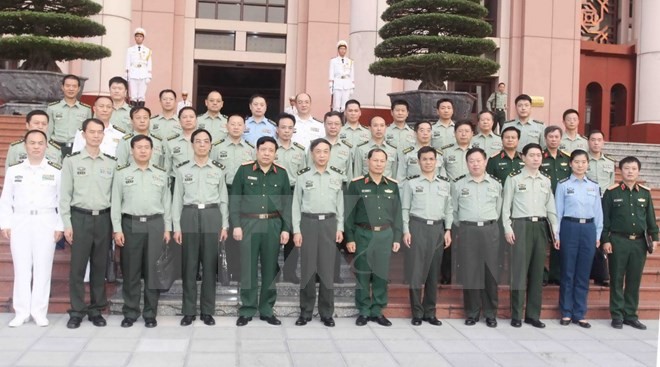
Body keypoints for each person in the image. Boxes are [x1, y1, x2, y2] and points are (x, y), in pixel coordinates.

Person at [0, 130, 63, 327]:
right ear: (25, 146)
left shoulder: (55, 171)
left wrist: (60, 225)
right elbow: (5, 200)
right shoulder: (14, 170)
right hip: (21, 220)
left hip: (46, 221)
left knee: (43, 268)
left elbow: (62, 202)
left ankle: (39, 311)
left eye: (40, 143)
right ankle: (21, 312)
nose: (36, 146)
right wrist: (6, 223)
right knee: (22, 267)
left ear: (46, 146)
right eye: (32, 143)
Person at [60, 118, 117, 329]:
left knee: (99, 266)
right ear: (83, 135)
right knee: (77, 267)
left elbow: (115, 197)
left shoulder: (111, 163)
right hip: (79, 218)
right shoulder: (72, 162)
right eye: (91, 132)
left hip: (103, 218)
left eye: (99, 132)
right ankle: (76, 311)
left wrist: (114, 225)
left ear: (103, 135)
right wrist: (67, 223)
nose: (95, 135)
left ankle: (96, 309)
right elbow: (64, 195)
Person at [231, 136, 292, 327]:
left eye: (270, 150)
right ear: (256, 151)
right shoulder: (244, 170)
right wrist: (236, 225)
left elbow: (287, 204)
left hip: (272, 224)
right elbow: (235, 199)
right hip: (248, 224)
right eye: (263, 149)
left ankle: (266, 309)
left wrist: (285, 228)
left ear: (276, 153)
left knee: (269, 269)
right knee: (248, 268)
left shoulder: (281, 173)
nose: (266, 153)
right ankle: (247, 309)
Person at [111, 135, 171, 328]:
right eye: (139, 147)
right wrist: (117, 229)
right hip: (131, 224)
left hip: (155, 224)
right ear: (131, 150)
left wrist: (168, 228)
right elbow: (115, 203)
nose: (143, 151)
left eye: (147, 147)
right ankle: (130, 312)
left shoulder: (161, 174)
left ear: (152, 151)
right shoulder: (121, 173)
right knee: (131, 270)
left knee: (153, 271)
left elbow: (167, 204)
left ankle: (150, 313)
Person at [172, 129, 229, 327]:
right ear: (192, 144)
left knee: (209, 265)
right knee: (189, 265)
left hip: (212, 216)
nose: (202, 145)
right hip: (189, 215)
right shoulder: (182, 169)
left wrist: (225, 224)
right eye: (198, 141)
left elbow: (223, 199)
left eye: (206, 141)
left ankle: (207, 311)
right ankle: (188, 311)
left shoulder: (218, 169)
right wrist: (176, 226)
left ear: (211, 145)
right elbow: (176, 200)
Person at [502, 143, 558, 329]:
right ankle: (516, 314)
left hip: (540, 227)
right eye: (531, 155)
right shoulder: (514, 179)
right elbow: (506, 207)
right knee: (519, 272)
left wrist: (555, 232)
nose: (536, 158)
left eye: (538, 155)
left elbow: (551, 209)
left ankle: (533, 315)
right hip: (520, 225)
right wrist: (508, 228)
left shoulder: (546, 180)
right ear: (523, 157)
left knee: (537, 272)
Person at [345, 148, 402, 327]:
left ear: (386, 163)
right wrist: (350, 238)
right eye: (375, 160)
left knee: (381, 274)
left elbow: (397, 213)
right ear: (368, 162)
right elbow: (349, 214)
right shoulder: (356, 184)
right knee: (362, 272)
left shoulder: (392, 185)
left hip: (385, 234)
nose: (378, 164)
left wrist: (397, 238)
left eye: (382, 161)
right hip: (363, 233)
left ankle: (377, 310)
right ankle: (363, 310)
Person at [601, 156, 658, 330]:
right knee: (617, 278)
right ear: (620, 171)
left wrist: (655, 237)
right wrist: (605, 240)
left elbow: (650, 218)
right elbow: (605, 219)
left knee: (634, 280)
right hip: (618, 241)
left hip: (639, 243)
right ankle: (617, 315)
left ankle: (630, 315)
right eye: (626, 168)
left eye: (633, 168)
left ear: (638, 171)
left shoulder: (645, 193)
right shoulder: (612, 192)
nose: (630, 171)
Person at [292, 138, 344, 327]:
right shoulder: (303, 176)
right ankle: (305, 311)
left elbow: (340, 206)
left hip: (329, 224)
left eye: (325, 151)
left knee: (327, 271)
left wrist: (340, 228)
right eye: (318, 152)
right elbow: (296, 205)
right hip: (308, 223)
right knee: (307, 269)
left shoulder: (337, 176)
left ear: (330, 154)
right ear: (312, 154)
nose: (322, 155)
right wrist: (296, 230)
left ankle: (326, 312)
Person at [401, 146, 452, 327]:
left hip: (437, 229)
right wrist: (406, 230)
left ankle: (430, 312)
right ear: (419, 161)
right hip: (417, 227)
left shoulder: (445, 184)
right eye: (425, 159)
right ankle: (417, 312)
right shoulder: (411, 183)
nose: (428, 162)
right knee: (416, 272)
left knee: (433, 273)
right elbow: (405, 208)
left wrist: (448, 230)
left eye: (431, 159)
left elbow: (448, 209)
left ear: (436, 162)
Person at [451, 148, 502, 328]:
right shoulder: (458, 185)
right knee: (470, 272)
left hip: (490, 230)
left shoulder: (495, 185)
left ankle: (490, 313)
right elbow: (454, 211)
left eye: (479, 160)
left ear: (485, 161)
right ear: (467, 163)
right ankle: (471, 312)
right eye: (471, 161)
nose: (475, 164)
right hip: (468, 231)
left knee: (490, 273)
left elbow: (499, 208)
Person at [554, 149, 603, 329]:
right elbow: (558, 212)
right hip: (569, 227)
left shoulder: (594, 186)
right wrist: (557, 235)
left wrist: (597, 235)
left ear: (588, 164)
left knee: (583, 273)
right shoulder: (564, 185)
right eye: (576, 162)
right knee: (568, 271)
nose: (580, 165)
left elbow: (598, 213)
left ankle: (580, 313)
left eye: (583, 162)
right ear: (570, 164)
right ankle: (566, 311)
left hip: (589, 229)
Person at [211, 114, 255, 283]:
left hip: (244, 194)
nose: (236, 127)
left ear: (244, 127)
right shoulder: (216, 147)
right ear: (226, 126)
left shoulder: (250, 149)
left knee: (239, 230)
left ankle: (237, 270)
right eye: (233, 124)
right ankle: (220, 269)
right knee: (222, 229)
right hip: (223, 190)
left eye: (239, 124)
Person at [274, 113, 307, 283]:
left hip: (294, 194)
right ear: (277, 129)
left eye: (289, 128)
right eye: (283, 127)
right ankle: (273, 268)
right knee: (273, 231)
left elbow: (303, 175)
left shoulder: (301, 152)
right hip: (274, 194)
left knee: (293, 231)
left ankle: (290, 271)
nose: (286, 131)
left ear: (293, 130)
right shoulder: (270, 148)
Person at [540, 125, 571, 286]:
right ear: (545, 138)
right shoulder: (540, 157)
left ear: (560, 139)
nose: (553, 139)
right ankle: (543, 275)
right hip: (543, 204)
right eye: (550, 137)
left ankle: (555, 274)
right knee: (542, 240)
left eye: (556, 137)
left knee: (558, 240)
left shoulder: (567, 158)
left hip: (563, 205)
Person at [586, 130, 616, 286]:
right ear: (588, 142)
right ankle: (592, 271)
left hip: (605, 200)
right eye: (593, 139)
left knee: (603, 234)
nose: (596, 143)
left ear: (603, 142)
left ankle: (602, 273)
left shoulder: (610, 162)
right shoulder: (583, 161)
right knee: (591, 234)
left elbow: (611, 184)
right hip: (588, 201)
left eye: (599, 140)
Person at [46, 74, 92, 157]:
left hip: (78, 149)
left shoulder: (86, 109)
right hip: (56, 147)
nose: (71, 89)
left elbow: (89, 131)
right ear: (62, 87)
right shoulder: (52, 107)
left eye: (74, 86)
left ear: (79, 89)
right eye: (67, 86)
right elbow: (48, 131)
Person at [116, 106, 167, 170]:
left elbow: (162, 166)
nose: (142, 121)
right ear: (132, 120)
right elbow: (120, 165)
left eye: (145, 118)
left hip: (155, 178)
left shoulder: (158, 141)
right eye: (138, 118)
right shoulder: (125, 141)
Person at [164, 107, 197, 182]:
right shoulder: (171, 142)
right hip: (177, 182)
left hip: (199, 182)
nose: (188, 120)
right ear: (179, 121)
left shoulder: (205, 140)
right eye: (184, 117)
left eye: (191, 117)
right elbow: (167, 168)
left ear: (196, 120)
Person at [125, 28, 152, 107]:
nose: (139, 38)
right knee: (133, 95)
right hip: (133, 73)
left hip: (143, 73)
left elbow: (149, 63)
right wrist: (126, 74)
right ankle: (133, 110)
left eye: (140, 36)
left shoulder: (147, 50)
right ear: (134, 38)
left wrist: (149, 76)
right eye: (137, 36)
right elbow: (128, 62)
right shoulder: (130, 50)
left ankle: (141, 109)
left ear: (143, 38)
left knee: (141, 95)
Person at [329, 40, 354, 112]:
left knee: (345, 105)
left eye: (344, 49)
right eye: (341, 49)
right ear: (338, 50)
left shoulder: (350, 61)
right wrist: (331, 85)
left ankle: (343, 120)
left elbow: (352, 74)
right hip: (337, 83)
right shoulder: (333, 61)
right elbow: (331, 73)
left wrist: (352, 86)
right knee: (336, 105)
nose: (343, 51)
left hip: (347, 84)